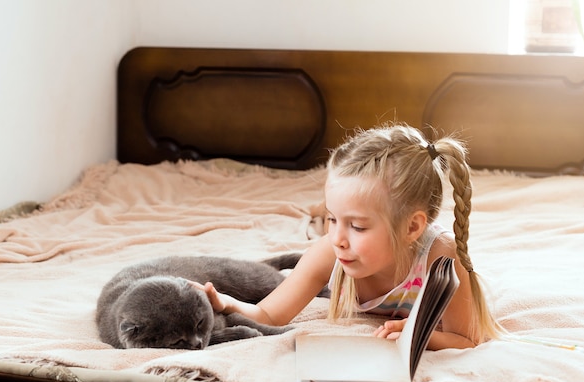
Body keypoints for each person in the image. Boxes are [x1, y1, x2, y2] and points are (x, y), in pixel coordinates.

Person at [202, 123, 503, 350]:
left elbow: (467, 339)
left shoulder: (442, 259)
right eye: (332, 219)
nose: (338, 238)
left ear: (412, 228)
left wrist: (421, 335)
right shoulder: (330, 251)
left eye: (357, 226)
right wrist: (227, 303)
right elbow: (268, 313)